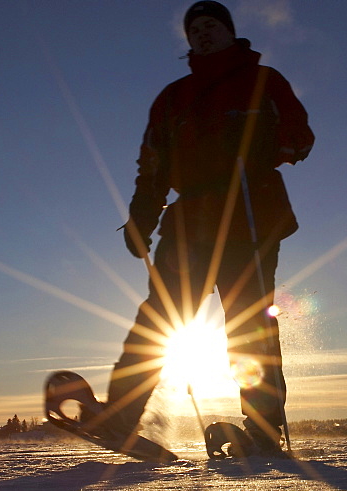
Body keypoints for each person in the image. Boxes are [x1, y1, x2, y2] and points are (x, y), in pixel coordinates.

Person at [94, 1, 314, 455]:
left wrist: (270, 145)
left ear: (230, 32)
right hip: (190, 219)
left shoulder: (264, 81)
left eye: (211, 26)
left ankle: (263, 431)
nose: (203, 34)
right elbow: (151, 165)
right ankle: (120, 416)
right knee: (161, 319)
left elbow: (301, 135)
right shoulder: (173, 97)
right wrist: (141, 218)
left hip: (251, 212)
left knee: (251, 325)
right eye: (195, 30)